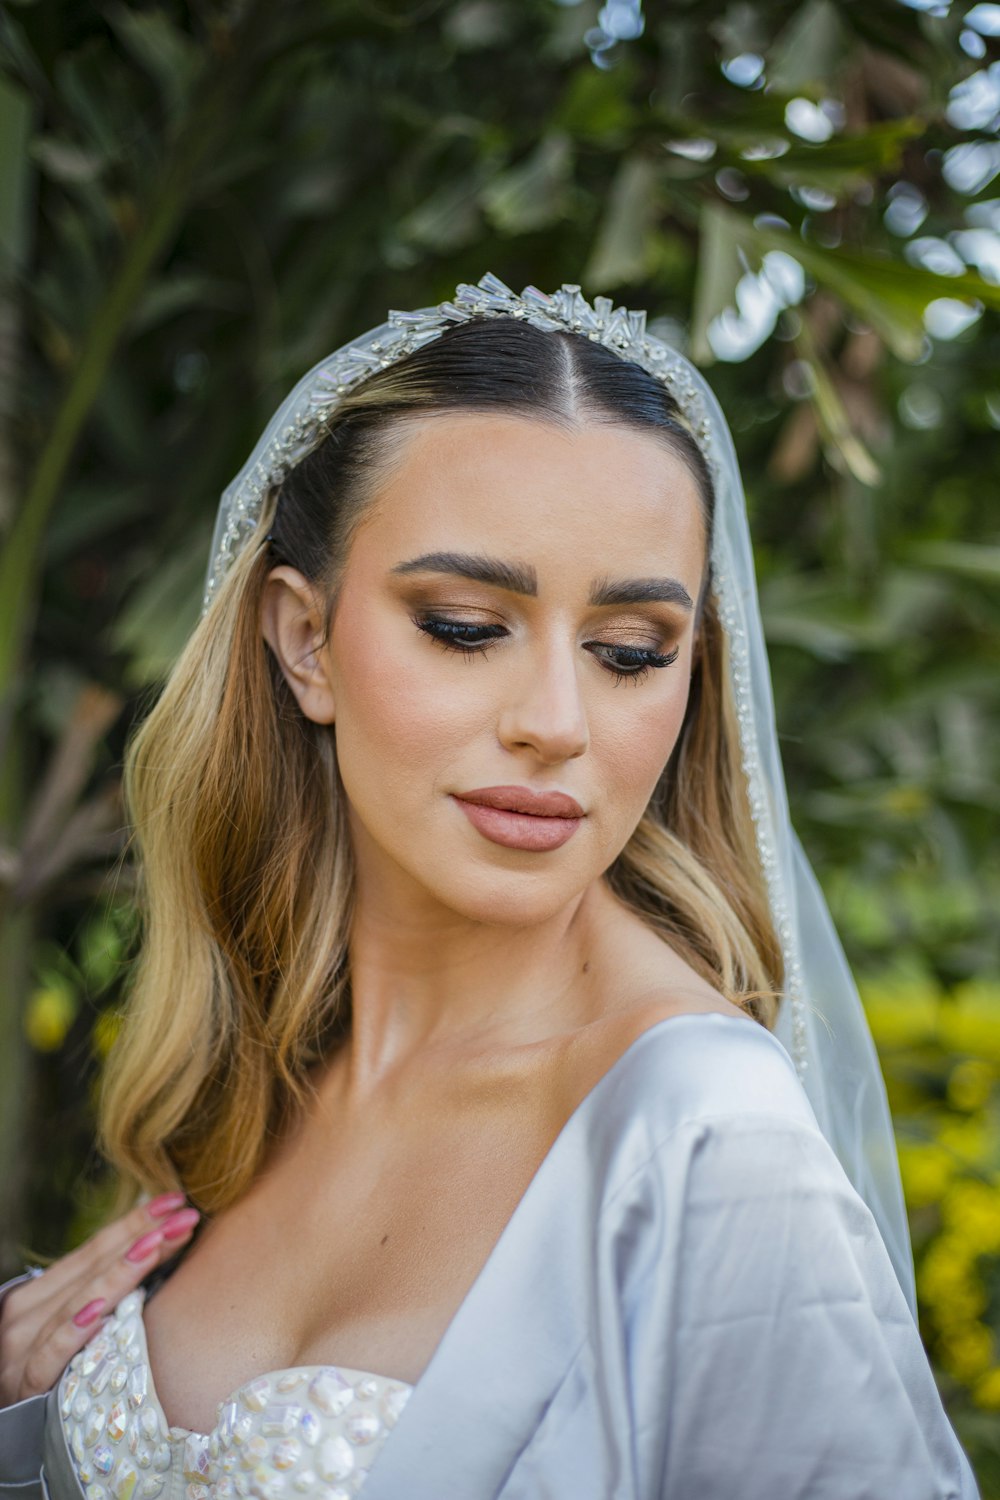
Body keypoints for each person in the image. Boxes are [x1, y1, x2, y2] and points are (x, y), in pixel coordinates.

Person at [0, 273, 980, 1499]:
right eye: (466, 626)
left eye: (630, 653)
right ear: (304, 640)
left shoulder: (701, 1143)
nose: (557, 725)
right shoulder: (254, 1070)